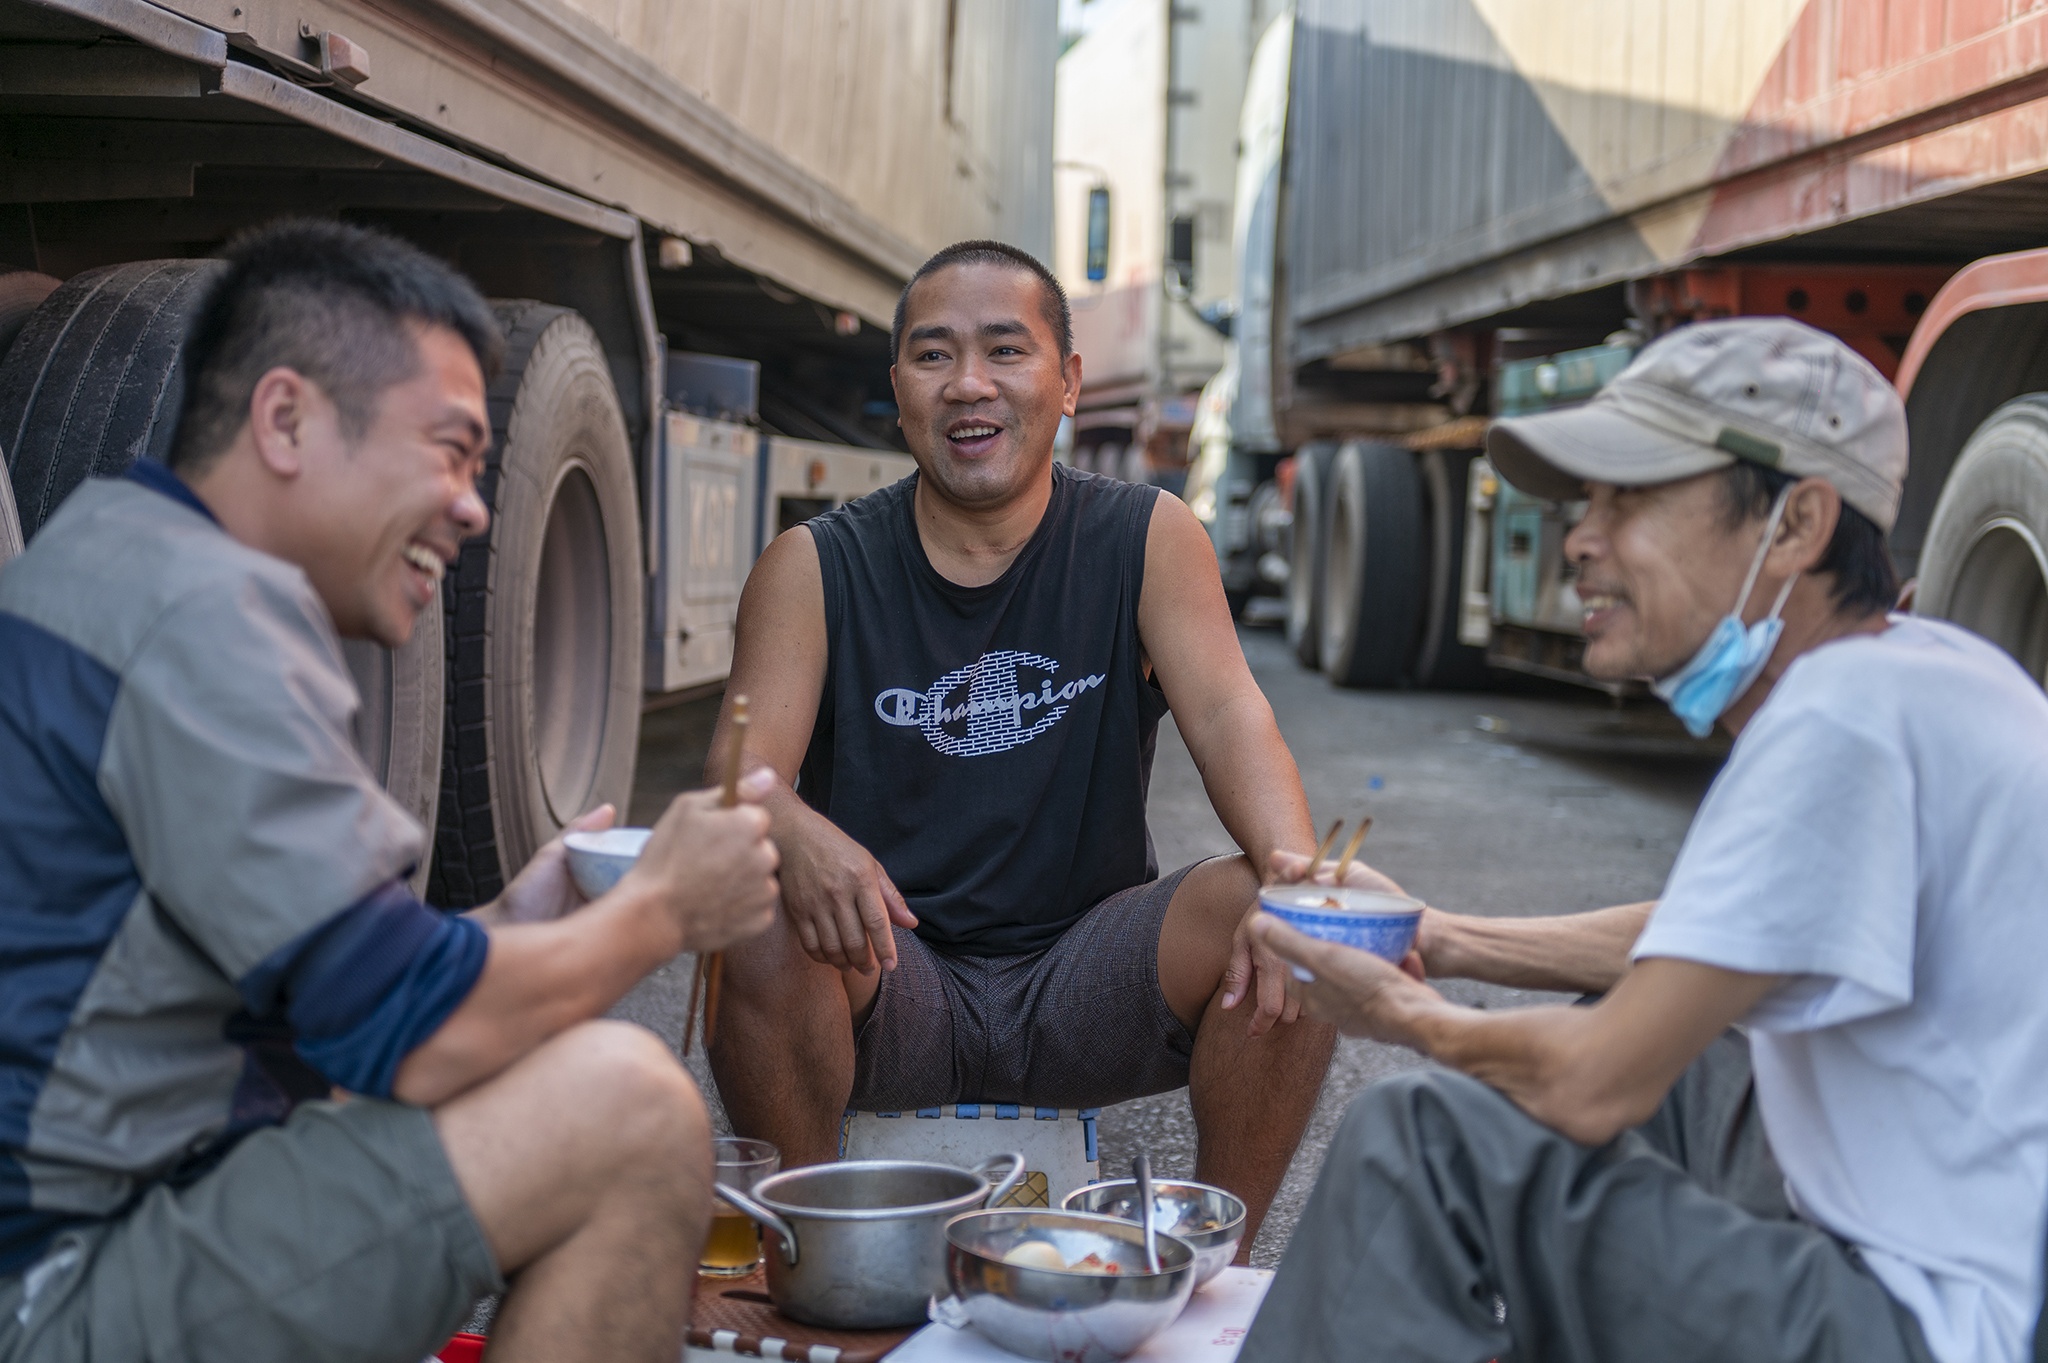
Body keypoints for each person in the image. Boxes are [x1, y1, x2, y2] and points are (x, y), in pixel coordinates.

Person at [0, 220, 780, 1363]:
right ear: (285, 419)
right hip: (60, 1287)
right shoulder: (208, 617)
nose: (472, 504)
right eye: (451, 449)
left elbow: (313, 988)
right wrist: (662, 909)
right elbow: (415, 1037)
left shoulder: (112, 553)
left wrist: (504, 927)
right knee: (632, 1106)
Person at [1240, 317, 2048, 1363]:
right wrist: (1437, 935)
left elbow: (1595, 1083)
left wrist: (1398, 1009)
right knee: (1677, 1028)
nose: (1580, 535)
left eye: (1631, 498)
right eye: (1587, 501)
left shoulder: (1838, 718)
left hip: (1926, 1331)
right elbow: (1712, 935)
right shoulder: (1927, 669)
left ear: (1795, 524)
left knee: (1424, 1145)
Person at [708, 240, 1381, 1251]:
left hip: (1084, 979)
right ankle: (806, 1257)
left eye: (1004, 351)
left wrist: (1292, 880)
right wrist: (789, 823)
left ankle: (1212, 1266)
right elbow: (734, 773)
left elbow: (1233, 716)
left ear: (1067, 380)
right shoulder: (813, 563)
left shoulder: (1147, 537)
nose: (968, 384)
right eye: (932, 357)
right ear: (896, 388)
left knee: (1290, 913)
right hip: (894, 970)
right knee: (757, 900)